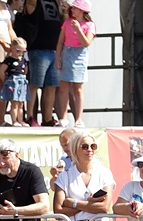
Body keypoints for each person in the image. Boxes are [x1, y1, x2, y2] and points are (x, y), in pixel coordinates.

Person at [18, 0, 63, 127]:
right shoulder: (34, 2)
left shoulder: (55, 2)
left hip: (54, 50)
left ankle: (47, 118)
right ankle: (30, 117)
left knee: (52, 85)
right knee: (34, 84)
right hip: (38, 49)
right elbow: (30, 4)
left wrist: (63, 10)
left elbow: (62, 21)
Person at [54, 0, 94, 129]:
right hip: (66, 53)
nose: (73, 10)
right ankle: (63, 117)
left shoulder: (89, 25)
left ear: (83, 11)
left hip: (79, 56)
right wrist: (57, 58)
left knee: (78, 89)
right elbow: (60, 42)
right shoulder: (67, 23)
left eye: (76, 8)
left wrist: (78, 29)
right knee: (64, 87)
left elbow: (86, 43)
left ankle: (78, 118)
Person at [0, 37, 29, 126]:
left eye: (23, 51)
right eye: (18, 51)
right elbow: (1, 71)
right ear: (12, 48)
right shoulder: (8, 60)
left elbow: (25, 70)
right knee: (14, 103)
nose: (21, 53)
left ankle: (21, 120)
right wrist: (5, 81)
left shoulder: (23, 60)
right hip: (12, 82)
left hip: (22, 82)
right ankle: (14, 121)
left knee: (21, 103)